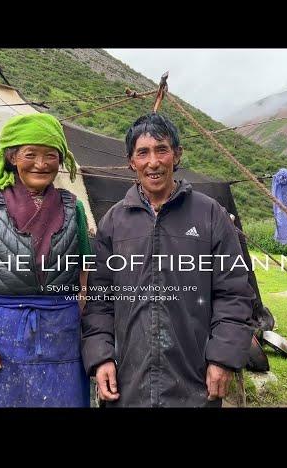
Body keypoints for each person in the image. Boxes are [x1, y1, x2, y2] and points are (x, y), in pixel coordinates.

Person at [81, 113, 255, 407]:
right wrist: (101, 357)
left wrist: (223, 358)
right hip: (128, 382)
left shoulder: (210, 215)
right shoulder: (114, 222)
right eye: (143, 153)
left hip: (196, 380)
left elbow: (234, 293)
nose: (153, 162)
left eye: (162, 149)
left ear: (177, 154)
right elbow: (100, 301)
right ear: (131, 162)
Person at [0, 113, 91, 407]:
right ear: (12, 157)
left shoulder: (72, 207)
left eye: (51, 155)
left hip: (59, 336)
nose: (41, 164)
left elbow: (84, 269)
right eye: (31, 154)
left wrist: (78, 310)